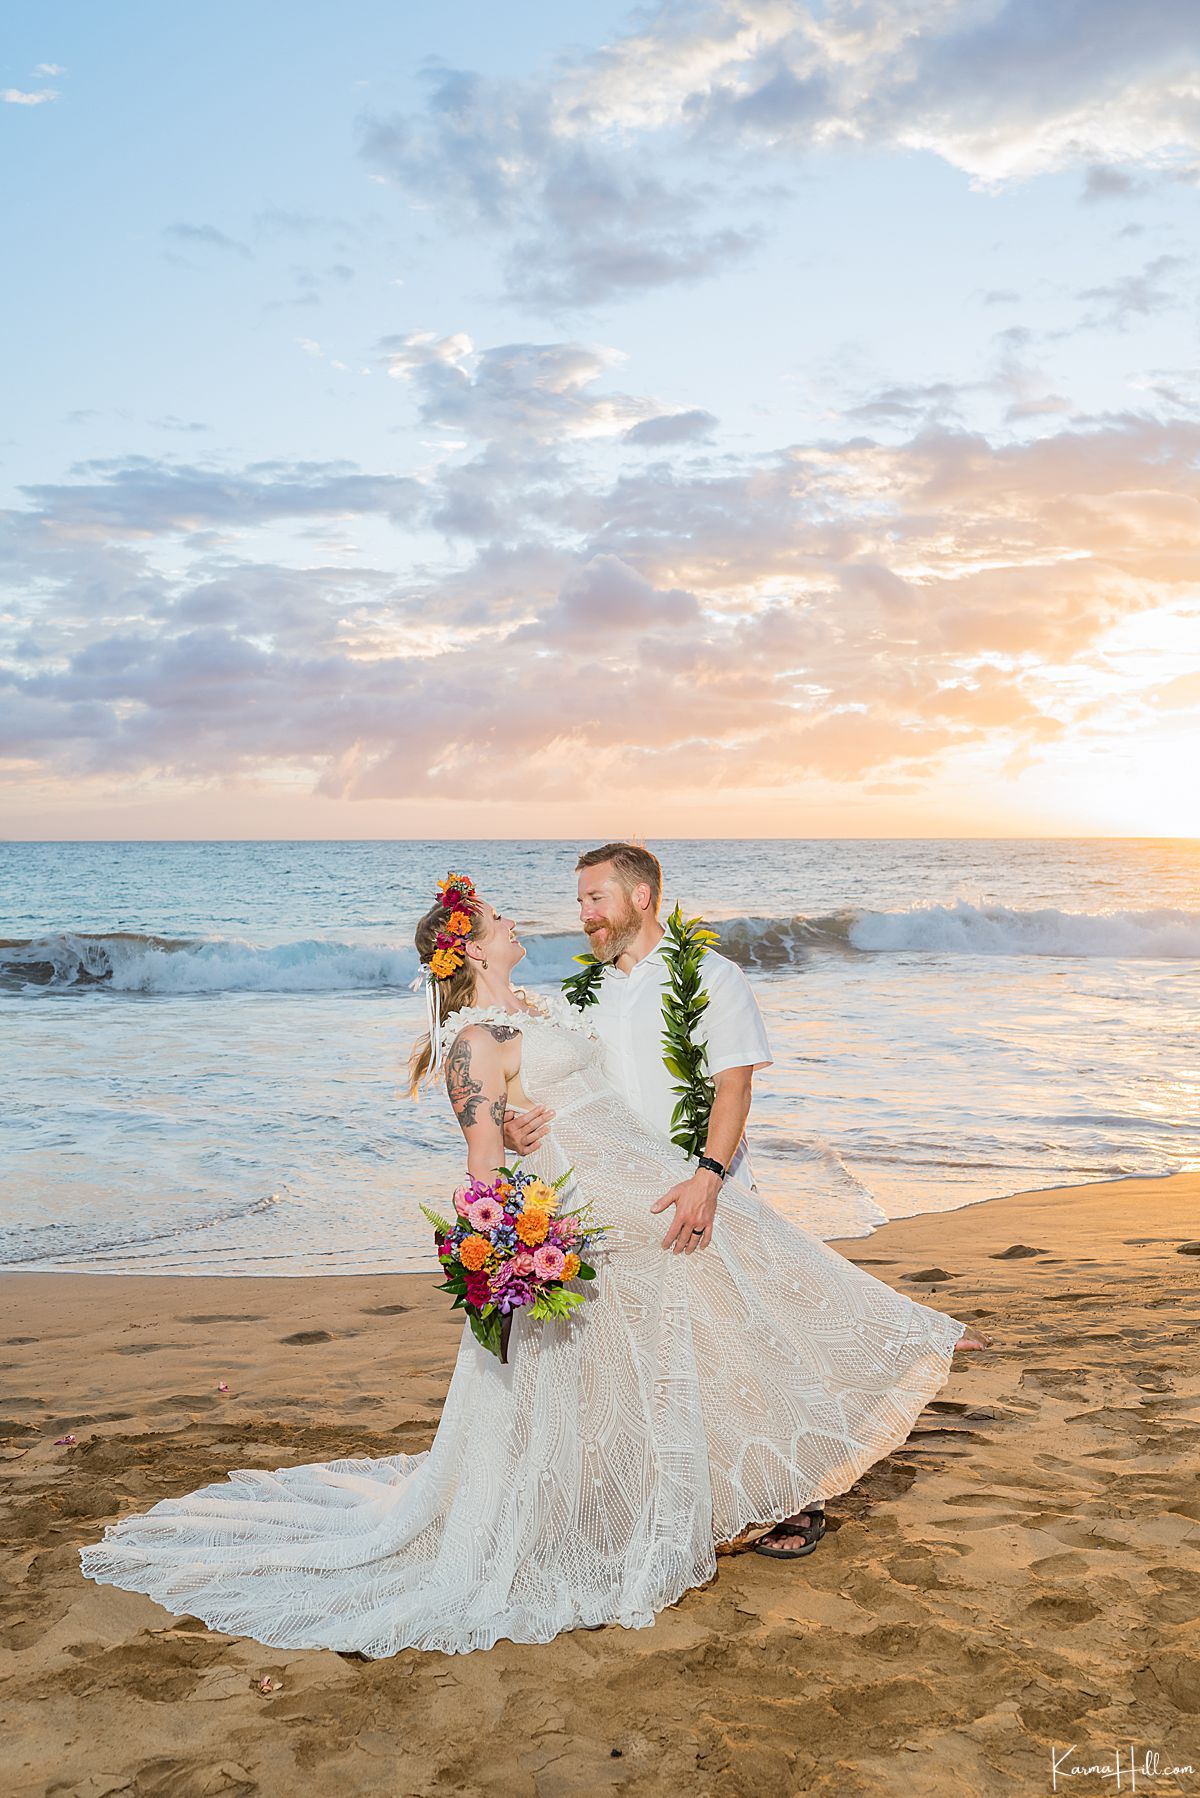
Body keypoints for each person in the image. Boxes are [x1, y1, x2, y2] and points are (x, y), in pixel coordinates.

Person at [77, 870, 987, 1659]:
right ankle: (719, 1490)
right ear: (471, 948)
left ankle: (743, 1474)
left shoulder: (534, 1007)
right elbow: (479, 1164)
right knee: (686, 1307)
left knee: (718, 1292)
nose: (521, 924)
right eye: (501, 919)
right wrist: (519, 1222)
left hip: (635, 1170)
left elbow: (555, 1092)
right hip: (591, 1198)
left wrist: (528, 1121)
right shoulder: (474, 1037)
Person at [505, 842, 827, 1556]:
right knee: (648, 1352)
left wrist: (708, 1179)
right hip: (620, 1199)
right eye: (580, 902)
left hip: (702, 1184)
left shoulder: (711, 975)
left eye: (595, 899)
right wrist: (511, 1122)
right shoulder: (580, 995)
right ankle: (675, 1491)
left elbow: (736, 1085)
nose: (584, 914)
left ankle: (790, 1498)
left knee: (738, 1344)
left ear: (640, 897)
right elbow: (548, 1084)